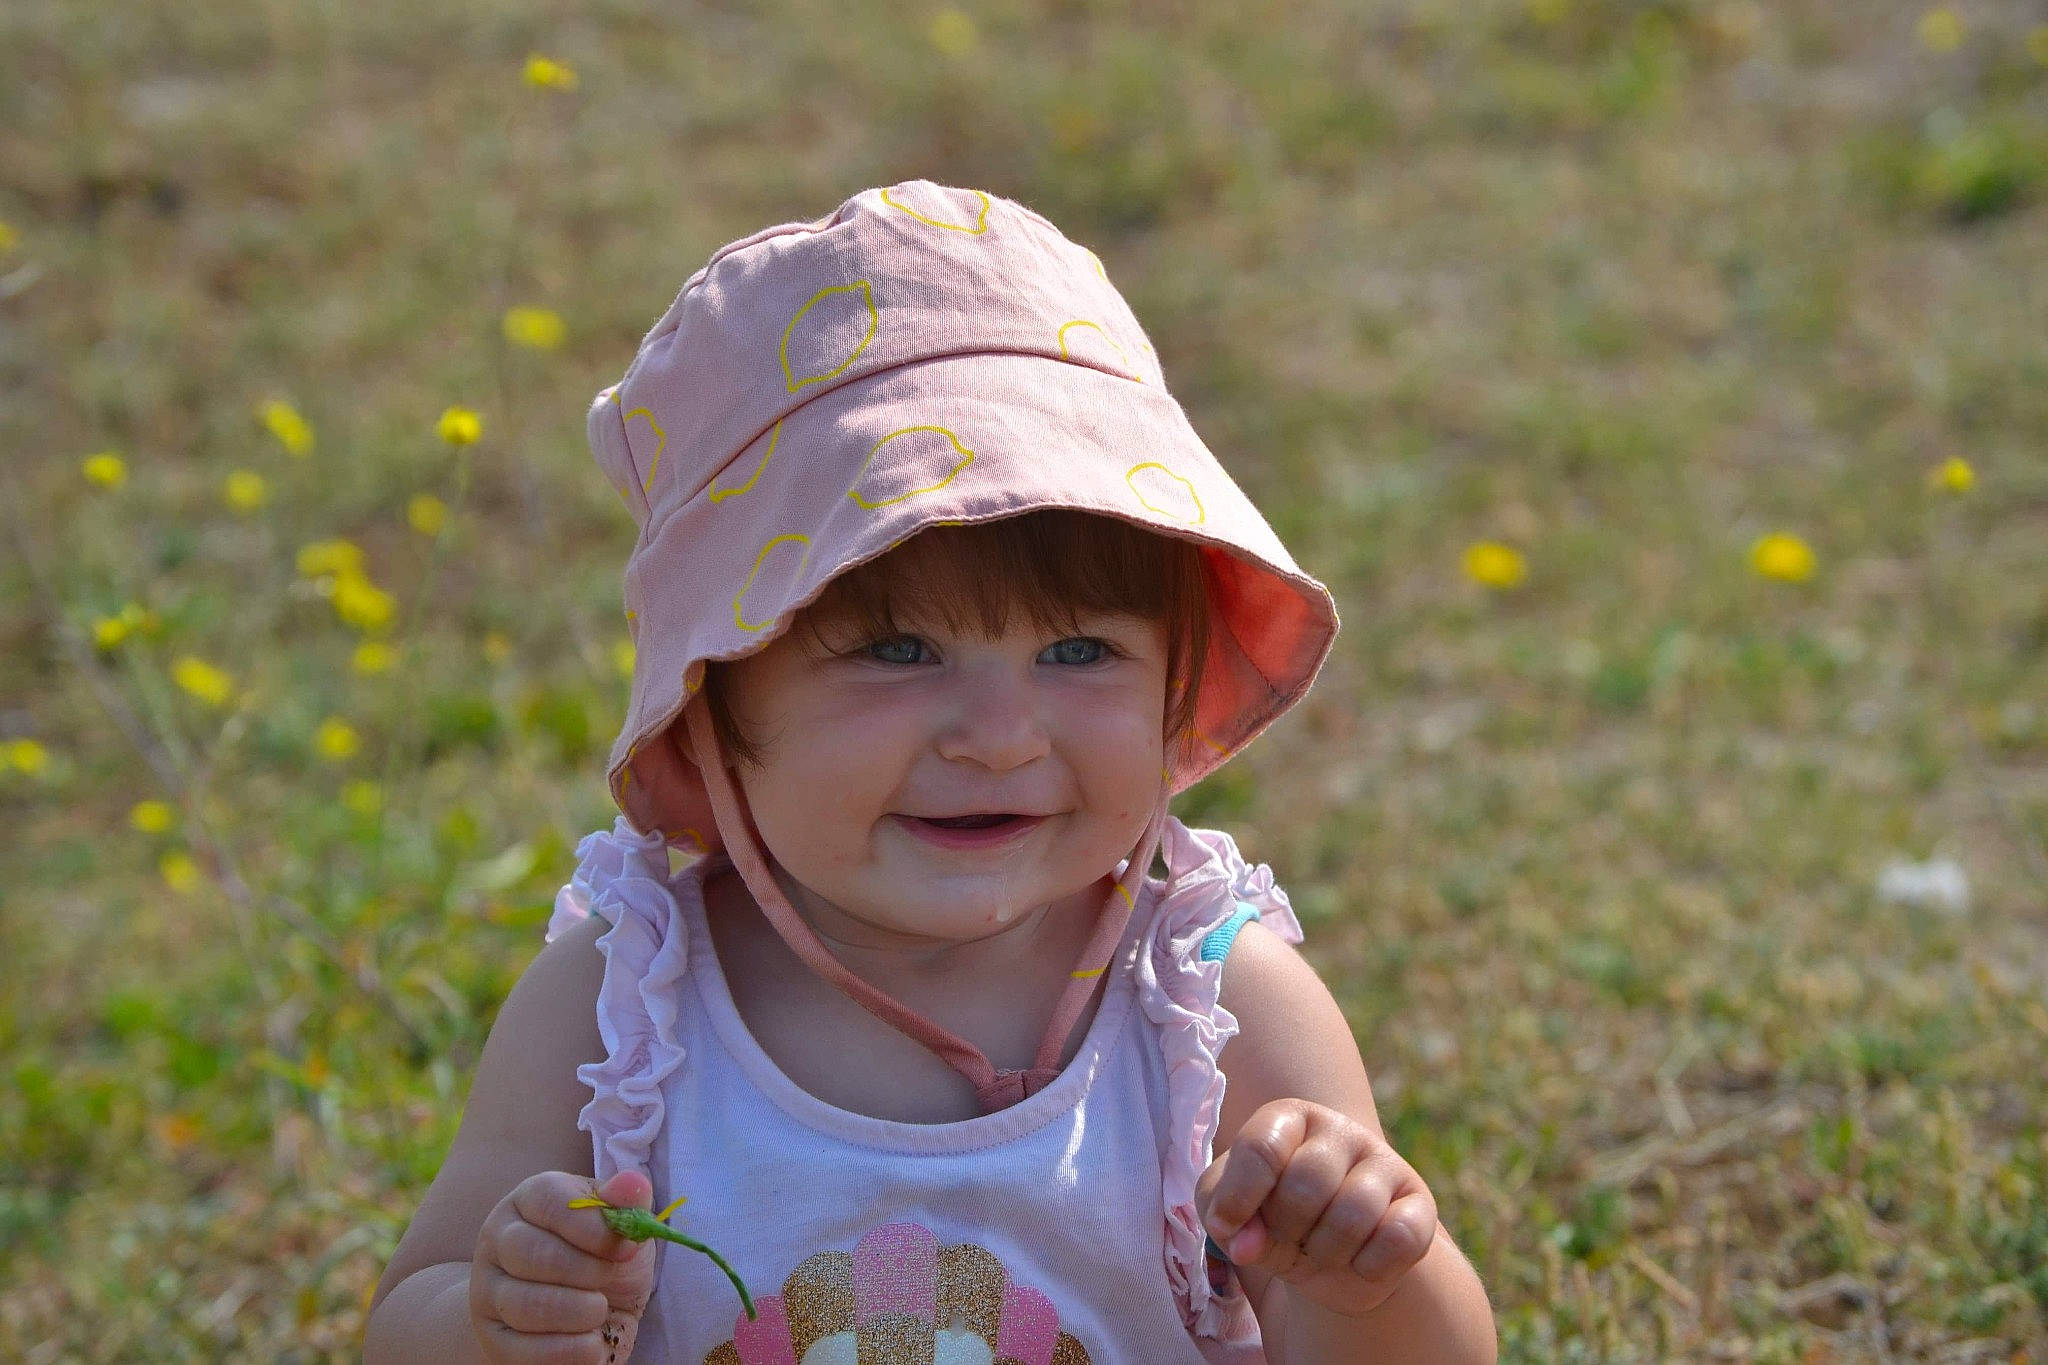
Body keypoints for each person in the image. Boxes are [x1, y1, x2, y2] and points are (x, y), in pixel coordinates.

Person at [366, 180, 1497, 1364]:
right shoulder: (618, 1012)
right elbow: (409, 1316)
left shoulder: (1217, 1012)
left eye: (1078, 651)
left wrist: (1366, 1282)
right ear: (711, 704)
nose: (999, 735)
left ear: (1173, 681)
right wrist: (490, 1321)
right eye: (897, 651)